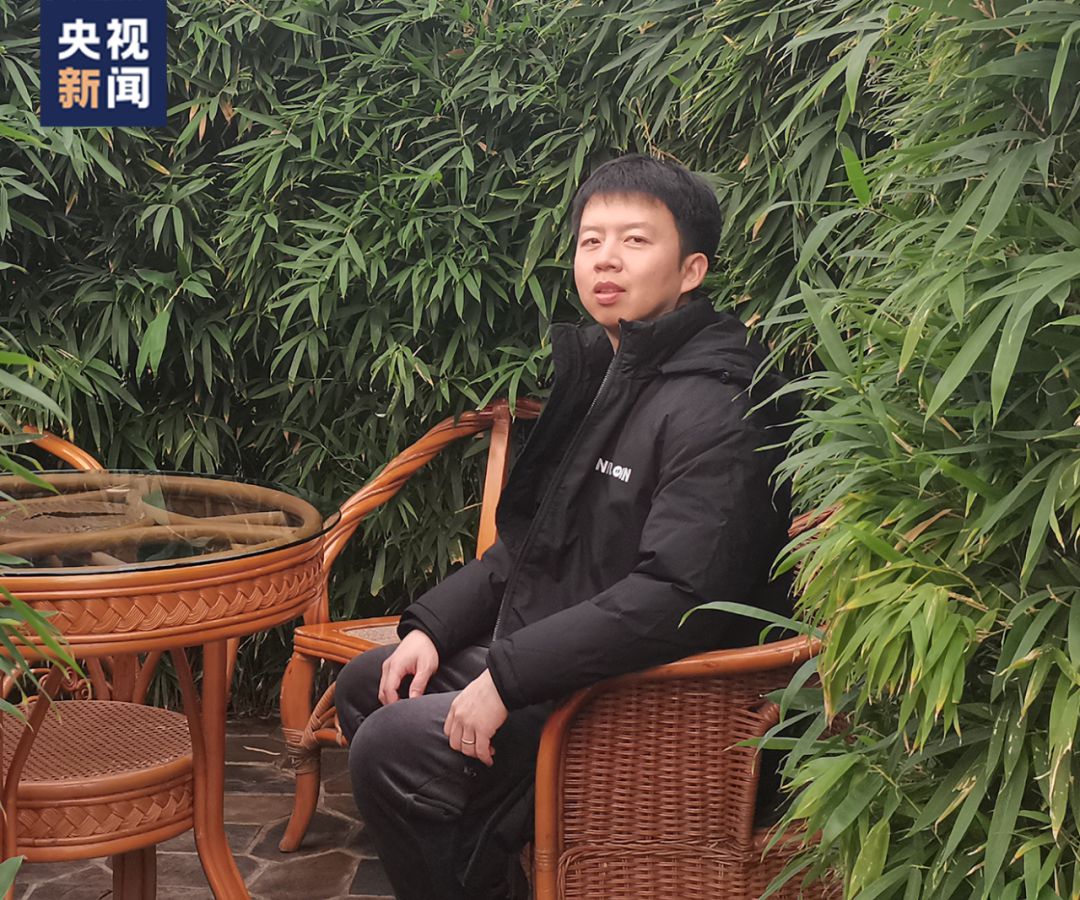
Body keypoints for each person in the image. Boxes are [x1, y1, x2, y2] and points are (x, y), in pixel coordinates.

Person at [335, 153, 796, 899]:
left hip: (644, 696)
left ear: (692, 270)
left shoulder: (718, 403)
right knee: (373, 685)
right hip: (573, 659)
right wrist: (433, 629)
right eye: (591, 240)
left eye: (635, 240)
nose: (606, 259)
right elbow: (535, 545)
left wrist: (508, 676)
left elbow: (679, 596)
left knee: (394, 744)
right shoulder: (614, 374)